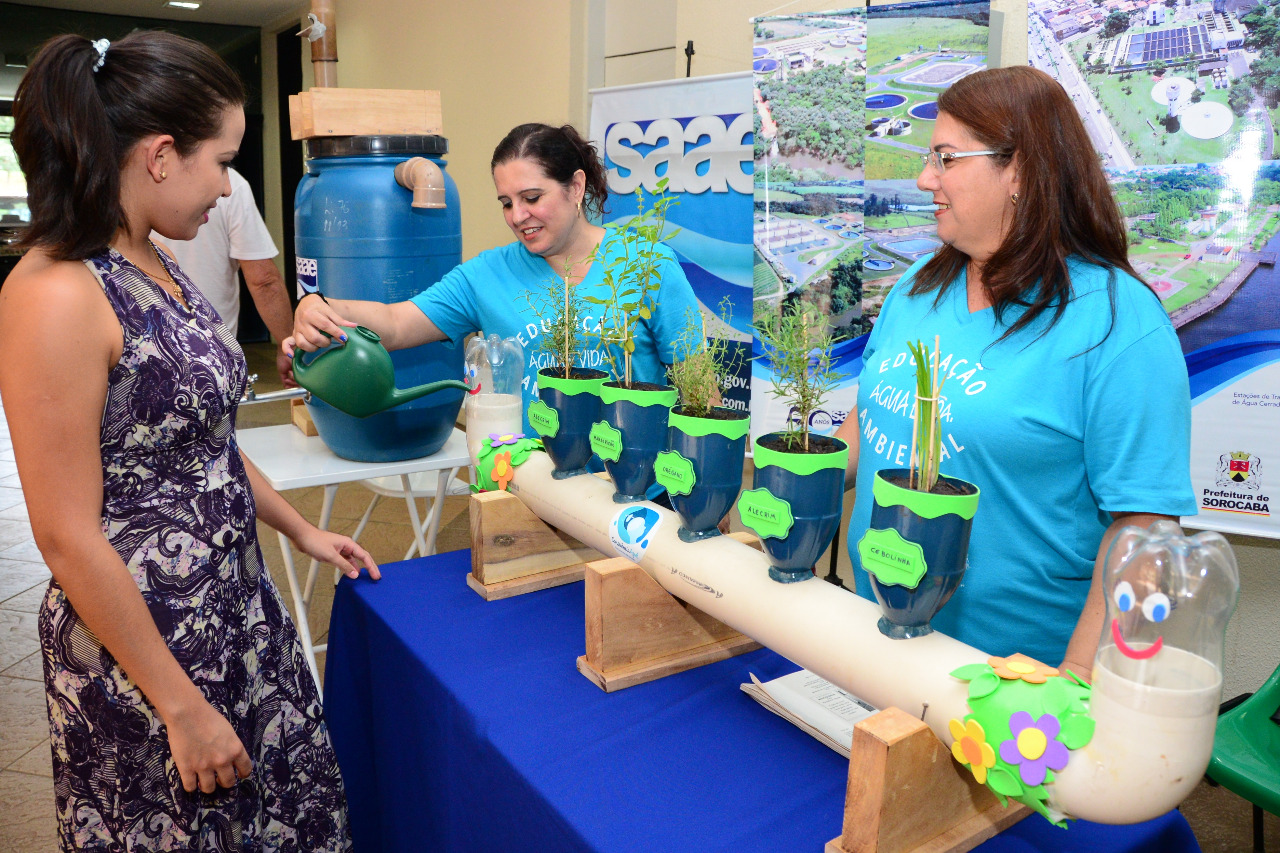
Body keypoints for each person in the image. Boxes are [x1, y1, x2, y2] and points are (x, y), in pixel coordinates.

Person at [0, 32, 377, 851]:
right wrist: (179, 706)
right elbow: (65, 533)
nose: (229, 187)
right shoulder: (56, 294)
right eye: (224, 160)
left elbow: (197, 441)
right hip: (149, 649)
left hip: (233, 610)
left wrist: (297, 528)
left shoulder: (153, 257)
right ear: (162, 156)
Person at [834, 66, 1195, 677]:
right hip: (874, 640)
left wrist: (1073, 691)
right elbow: (869, 422)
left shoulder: (1116, 321)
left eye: (945, 159)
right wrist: (778, 488)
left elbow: (1145, 531)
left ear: (1021, 172)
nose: (925, 179)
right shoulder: (916, 290)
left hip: (1012, 678)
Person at [285, 122, 699, 433]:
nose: (518, 217)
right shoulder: (487, 275)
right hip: (530, 486)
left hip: (637, 494)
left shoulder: (649, 265)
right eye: (506, 203)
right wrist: (319, 306)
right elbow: (395, 324)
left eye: (532, 198)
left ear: (575, 187)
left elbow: (698, 389)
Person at [151, 167, 297, 385]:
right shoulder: (233, 184)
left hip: (145, 345)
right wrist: (286, 345)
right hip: (212, 353)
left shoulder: (135, 178)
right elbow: (263, 280)